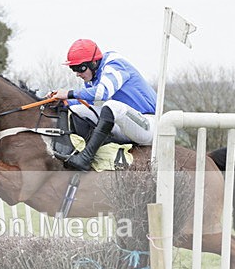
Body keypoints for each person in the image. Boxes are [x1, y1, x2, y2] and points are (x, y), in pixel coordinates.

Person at [48, 39, 157, 171]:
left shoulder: (115, 65)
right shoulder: (93, 77)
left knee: (112, 106)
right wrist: (63, 101)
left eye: (79, 68)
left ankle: (86, 157)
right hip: (124, 125)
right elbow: (88, 102)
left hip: (149, 126)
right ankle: (77, 151)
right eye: (73, 69)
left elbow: (101, 93)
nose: (77, 74)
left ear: (93, 63)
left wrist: (68, 93)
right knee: (76, 110)